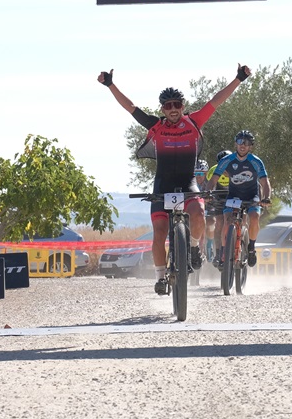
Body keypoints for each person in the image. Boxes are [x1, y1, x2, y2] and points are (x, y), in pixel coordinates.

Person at [99, 64, 251, 296]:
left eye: (177, 105)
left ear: (183, 106)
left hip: (188, 183)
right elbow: (131, 107)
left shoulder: (194, 122)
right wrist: (110, 85)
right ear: (162, 108)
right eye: (168, 106)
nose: (173, 109)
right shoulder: (156, 126)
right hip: (163, 186)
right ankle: (161, 276)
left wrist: (238, 79)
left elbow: (216, 101)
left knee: (198, 216)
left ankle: (191, 249)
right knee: (159, 233)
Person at [205, 130, 272, 268]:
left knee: (254, 217)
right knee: (227, 220)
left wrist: (266, 198)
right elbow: (213, 180)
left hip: (251, 195)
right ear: (236, 143)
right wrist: (207, 193)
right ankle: (224, 252)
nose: (243, 145)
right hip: (234, 195)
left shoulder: (256, 161)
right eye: (240, 141)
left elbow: (265, 183)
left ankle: (251, 248)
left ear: (250, 146)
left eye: (247, 143)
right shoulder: (226, 161)